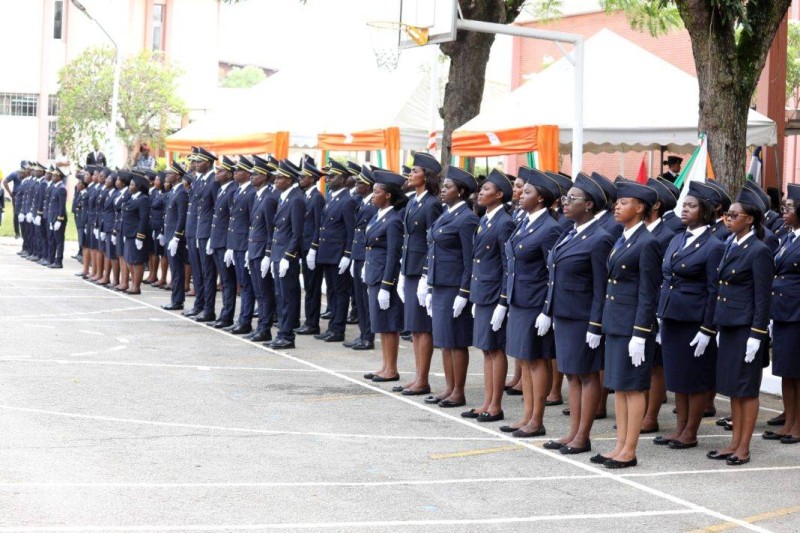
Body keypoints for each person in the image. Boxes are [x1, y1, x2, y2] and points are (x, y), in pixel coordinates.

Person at [543, 173, 613, 454]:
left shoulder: (600, 238)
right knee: (571, 374)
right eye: (565, 197)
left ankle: (583, 437)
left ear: (589, 205)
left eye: (572, 198)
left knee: (586, 376)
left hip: (583, 318)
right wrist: (548, 310)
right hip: (565, 315)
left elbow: (601, 287)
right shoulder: (570, 231)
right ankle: (572, 432)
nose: (565, 202)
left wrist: (596, 325)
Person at [595, 180, 660, 469]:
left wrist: (640, 333)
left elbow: (649, 293)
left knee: (632, 388)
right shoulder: (623, 237)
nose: (617, 206)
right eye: (617, 202)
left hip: (633, 327)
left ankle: (629, 450)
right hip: (616, 323)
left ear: (640, 207)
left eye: (624, 202)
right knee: (619, 387)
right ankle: (619, 445)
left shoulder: (647, 242)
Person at [656, 181, 724, 450]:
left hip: (694, 321)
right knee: (678, 379)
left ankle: (690, 432)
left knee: (694, 380)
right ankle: (680, 428)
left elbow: (714, 290)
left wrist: (708, 328)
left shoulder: (714, 245)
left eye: (692, 206)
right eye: (684, 205)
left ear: (705, 211)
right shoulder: (677, 238)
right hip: (672, 317)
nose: (685, 210)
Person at [707, 187, 772, 466]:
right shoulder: (731, 244)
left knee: (746, 389)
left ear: (750, 219)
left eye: (734, 215)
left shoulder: (759, 250)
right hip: (730, 325)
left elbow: (762, 295)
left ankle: (743, 447)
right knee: (734, 388)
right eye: (726, 214)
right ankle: (733, 442)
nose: (728, 218)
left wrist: (757, 334)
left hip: (746, 329)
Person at [501, 168, 563, 436]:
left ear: (540, 199)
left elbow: (554, 272)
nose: (520, 195)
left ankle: (536, 420)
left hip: (535, 303)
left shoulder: (550, 228)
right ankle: (526, 415)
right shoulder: (525, 222)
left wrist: (547, 310)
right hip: (519, 300)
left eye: (527, 192)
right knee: (524, 360)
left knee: (536, 360)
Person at [461, 169, 515, 422]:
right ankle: (486, 401)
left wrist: (503, 302)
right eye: (480, 189)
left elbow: (508, 265)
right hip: (482, 292)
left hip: (494, 295)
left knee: (495, 349)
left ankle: (495, 405)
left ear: (500, 195)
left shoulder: (504, 222)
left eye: (486, 190)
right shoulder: (486, 218)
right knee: (485, 349)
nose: (480, 193)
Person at [423, 165, 479, 408]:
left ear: (461, 191)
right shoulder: (446, 214)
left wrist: (464, 292)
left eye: (448, 187)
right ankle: (449, 387)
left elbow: (470, 260)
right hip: (440, 285)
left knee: (456, 341)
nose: (442, 191)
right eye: (443, 187)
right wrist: (429, 285)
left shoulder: (467, 219)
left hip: (454, 287)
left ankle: (459, 391)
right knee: (444, 340)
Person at [399, 153, 443, 396]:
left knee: (422, 327)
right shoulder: (413, 201)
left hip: (421, 270)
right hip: (410, 267)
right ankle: (417, 376)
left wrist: (426, 275)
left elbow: (431, 241)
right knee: (414, 327)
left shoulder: (431, 204)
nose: (411, 174)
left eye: (415, 171)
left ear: (425, 176)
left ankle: (423, 379)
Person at [640, 178, 677, 434]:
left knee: (655, 364)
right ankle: (639, 412)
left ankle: (650, 416)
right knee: (641, 362)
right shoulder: (641, 230)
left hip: (655, 304)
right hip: (639, 303)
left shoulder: (666, 234)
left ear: (655, 204)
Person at [363, 170, 407, 382]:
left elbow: (393, 254)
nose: (373, 195)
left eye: (377, 192)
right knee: (381, 323)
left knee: (390, 324)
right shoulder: (377, 216)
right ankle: (385, 365)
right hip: (373, 273)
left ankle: (392, 369)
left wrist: (387, 285)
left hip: (384, 277)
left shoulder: (393, 220)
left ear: (388, 195)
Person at [310, 160, 357, 343]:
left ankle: (338, 329)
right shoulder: (331, 197)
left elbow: (350, 230)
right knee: (332, 292)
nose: (328, 179)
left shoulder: (347, 201)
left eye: (333, 176)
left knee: (340, 292)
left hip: (338, 254)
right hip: (328, 254)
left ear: (344, 179)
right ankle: (332, 327)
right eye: (328, 176)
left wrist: (347, 254)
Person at [767, 183, 800, 444]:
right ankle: (789, 421)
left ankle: (798, 425)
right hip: (782, 312)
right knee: (786, 372)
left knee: (797, 372)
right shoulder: (789, 237)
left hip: (797, 315)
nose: (783, 213)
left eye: (788, 208)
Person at [267, 159, 306, 349]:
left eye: (280, 177)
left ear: (289, 179)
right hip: (278, 252)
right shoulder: (286, 196)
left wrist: (288, 256)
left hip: (285, 256)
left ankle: (287, 335)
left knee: (288, 297)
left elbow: (297, 232)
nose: (275, 180)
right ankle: (282, 332)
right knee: (280, 296)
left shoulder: (297, 198)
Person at [346, 165, 377, 351]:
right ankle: (362, 333)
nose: (357, 185)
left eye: (360, 183)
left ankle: (368, 336)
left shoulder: (372, 206)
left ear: (368, 186)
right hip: (357, 255)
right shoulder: (364, 203)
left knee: (365, 299)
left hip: (364, 256)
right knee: (359, 297)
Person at [295, 161, 326, 336]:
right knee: (308, 286)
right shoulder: (307, 195)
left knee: (313, 287)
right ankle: (308, 321)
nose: (300, 179)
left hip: (311, 248)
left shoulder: (317, 197)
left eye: (304, 177)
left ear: (312, 179)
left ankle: (312, 323)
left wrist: (314, 247)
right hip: (304, 247)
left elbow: (317, 225)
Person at [209, 156, 238, 329]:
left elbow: (232, 221)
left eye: (220, 171)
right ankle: (224, 314)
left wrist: (229, 245)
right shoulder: (222, 189)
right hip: (218, 240)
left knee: (228, 281)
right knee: (224, 281)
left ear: (229, 174)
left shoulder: (232, 190)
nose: (216, 174)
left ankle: (227, 316)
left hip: (225, 242)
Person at [192, 147, 220, 324]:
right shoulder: (200, 180)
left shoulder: (213, 181)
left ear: (208, 163)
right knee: (200, 272)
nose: (195, 164)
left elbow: (216, 210)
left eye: (199, 161)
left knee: (209, 273)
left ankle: (208, 309)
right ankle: (199, 304)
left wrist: (211, 235)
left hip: (207, 231)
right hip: (199, 230)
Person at [505, 173, 527, 398]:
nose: (516, 190)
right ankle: (517, 376)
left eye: (521, 188)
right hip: (516, 286)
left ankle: (522, 379)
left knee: (528, 345)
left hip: (529, 292)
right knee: (519, 341)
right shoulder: (517, 213)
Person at [162, 161, 189, 311]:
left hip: (175, 238)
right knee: (174, 269)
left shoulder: (182, 193)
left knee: (177, 270)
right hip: (169, 235)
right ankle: (175, 298)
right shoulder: (174, 191)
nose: (167, 175)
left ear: (177, 175)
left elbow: (182, 217)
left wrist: (177, 237)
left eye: (170, 173)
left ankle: (178, 300)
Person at [121, 172, 152, 294]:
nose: (129, 186)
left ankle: (136, 286)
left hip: (136, 235)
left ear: (138, 187)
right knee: (129, 260)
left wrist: (140, 236)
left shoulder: (143, 199)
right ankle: (133, 284)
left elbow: (144, 219)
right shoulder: (132, 198)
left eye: (132, 185)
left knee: (137, 261)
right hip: (129, 233)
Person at [97, 171, 121, 286]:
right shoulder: (108, 193)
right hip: (105, 225)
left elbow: (115, 213)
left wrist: (113, 230)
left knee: (112, 254)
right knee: (107, 253)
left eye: (109, 179)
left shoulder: (116, 194)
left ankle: (115, 280)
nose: (106, 180)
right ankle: (106, 277)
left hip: (111, 226)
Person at [145, 172, 168, 286]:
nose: (156, 182)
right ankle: (152, 274)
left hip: (161, 225)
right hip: (152, 224)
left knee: (162, 253)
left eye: (158, 180)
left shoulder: (166, 193)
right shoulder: (153, 191)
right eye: (156, 179)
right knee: (152, 251)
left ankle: (163, 278)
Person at [112, 172, 132, 291]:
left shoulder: (128, 193)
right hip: (118, 225)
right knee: (120, 254)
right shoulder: (120, 193)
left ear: (123, 182)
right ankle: (121, 281)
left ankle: (125, 282)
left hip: (124, 226)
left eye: (118, 180)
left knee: (124, 255)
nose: (116, 181)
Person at [45, 167, 67, 268]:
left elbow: (61, 206)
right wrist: (51, 219)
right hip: (52, 217)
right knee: (51, 239)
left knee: (59, 241)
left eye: (54, 175)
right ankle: (51, 259)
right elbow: (51, 205)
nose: (52, 177)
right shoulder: (55, 187)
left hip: (58, 218)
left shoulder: (62, 188)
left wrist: (59, 219)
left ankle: (59, 261)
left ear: (59, 177)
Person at [4, 160, 29, 238]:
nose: (25, 170)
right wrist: (10, 193)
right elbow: (5, 181)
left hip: (26, 196)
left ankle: (25, 232)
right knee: (16, 213)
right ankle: (17, 233)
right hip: (16, 195)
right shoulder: (15, 173)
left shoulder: (28, 174)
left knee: (25, 213)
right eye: (23, 168)